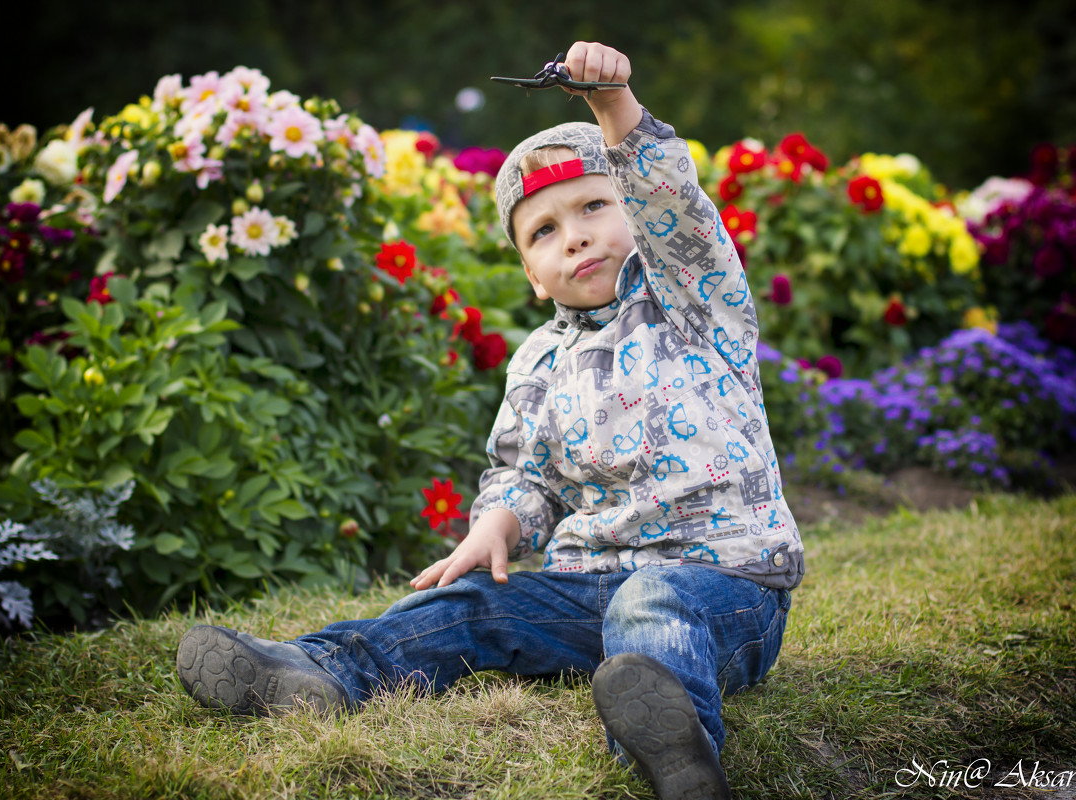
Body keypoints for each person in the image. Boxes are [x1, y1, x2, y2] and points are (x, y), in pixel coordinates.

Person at [177, 41, 804, 800]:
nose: (572, 235)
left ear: (635, 217)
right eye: (543, 231)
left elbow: (678, 213)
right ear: (531, 277)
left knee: (654, 604)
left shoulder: (694, 302)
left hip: (725, 590)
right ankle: (319, 672)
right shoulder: (538, 362)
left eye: (594, 207)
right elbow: (523, 472)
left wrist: (613, 109)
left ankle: (676, 746)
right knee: (472, 608)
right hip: (590, 589)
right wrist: (497, 526)